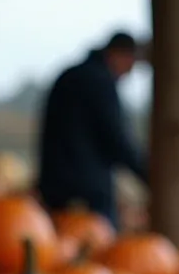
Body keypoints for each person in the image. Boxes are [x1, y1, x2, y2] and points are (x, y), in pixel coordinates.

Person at [36, 31, 149, 231]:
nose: (128, 74)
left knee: (59, 243)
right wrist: (147, 172)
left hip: (54, 183)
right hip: (87, 189)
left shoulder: (70, 75)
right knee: (96, 240)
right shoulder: (101, 82)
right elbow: (116, 138)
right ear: (119, 55)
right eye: (129, 66)